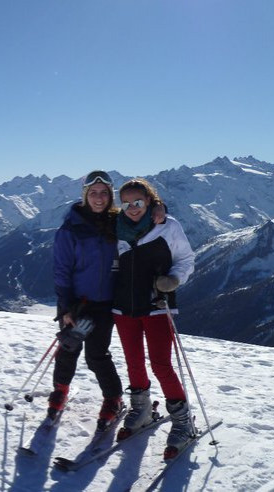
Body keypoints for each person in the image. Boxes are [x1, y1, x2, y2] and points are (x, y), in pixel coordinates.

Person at [50, 171, 166, 428]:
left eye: (104, 193)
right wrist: (66, 307)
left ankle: (113, 398)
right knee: (68, 348)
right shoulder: (71, 228)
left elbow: (143, 215)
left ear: (111, 196)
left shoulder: (118, 221)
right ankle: (60, 389)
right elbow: (61, 270)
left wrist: (159, 206)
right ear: (85, 195)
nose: (99, 198)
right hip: (76, 303)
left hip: (105, 304)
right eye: (93, 193)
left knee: (97, 355)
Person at [112, 178, 195, 457]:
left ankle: (183, 421)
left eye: (138, 201)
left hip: (157, 304)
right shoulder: (115, 228)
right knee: (133, 360)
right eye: (126, 203)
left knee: (161, 364)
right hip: (123, 306)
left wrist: (174, 279)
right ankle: (142, 409)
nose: (132, 207)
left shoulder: (167, 226)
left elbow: (186, 259)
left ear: (149, 200)